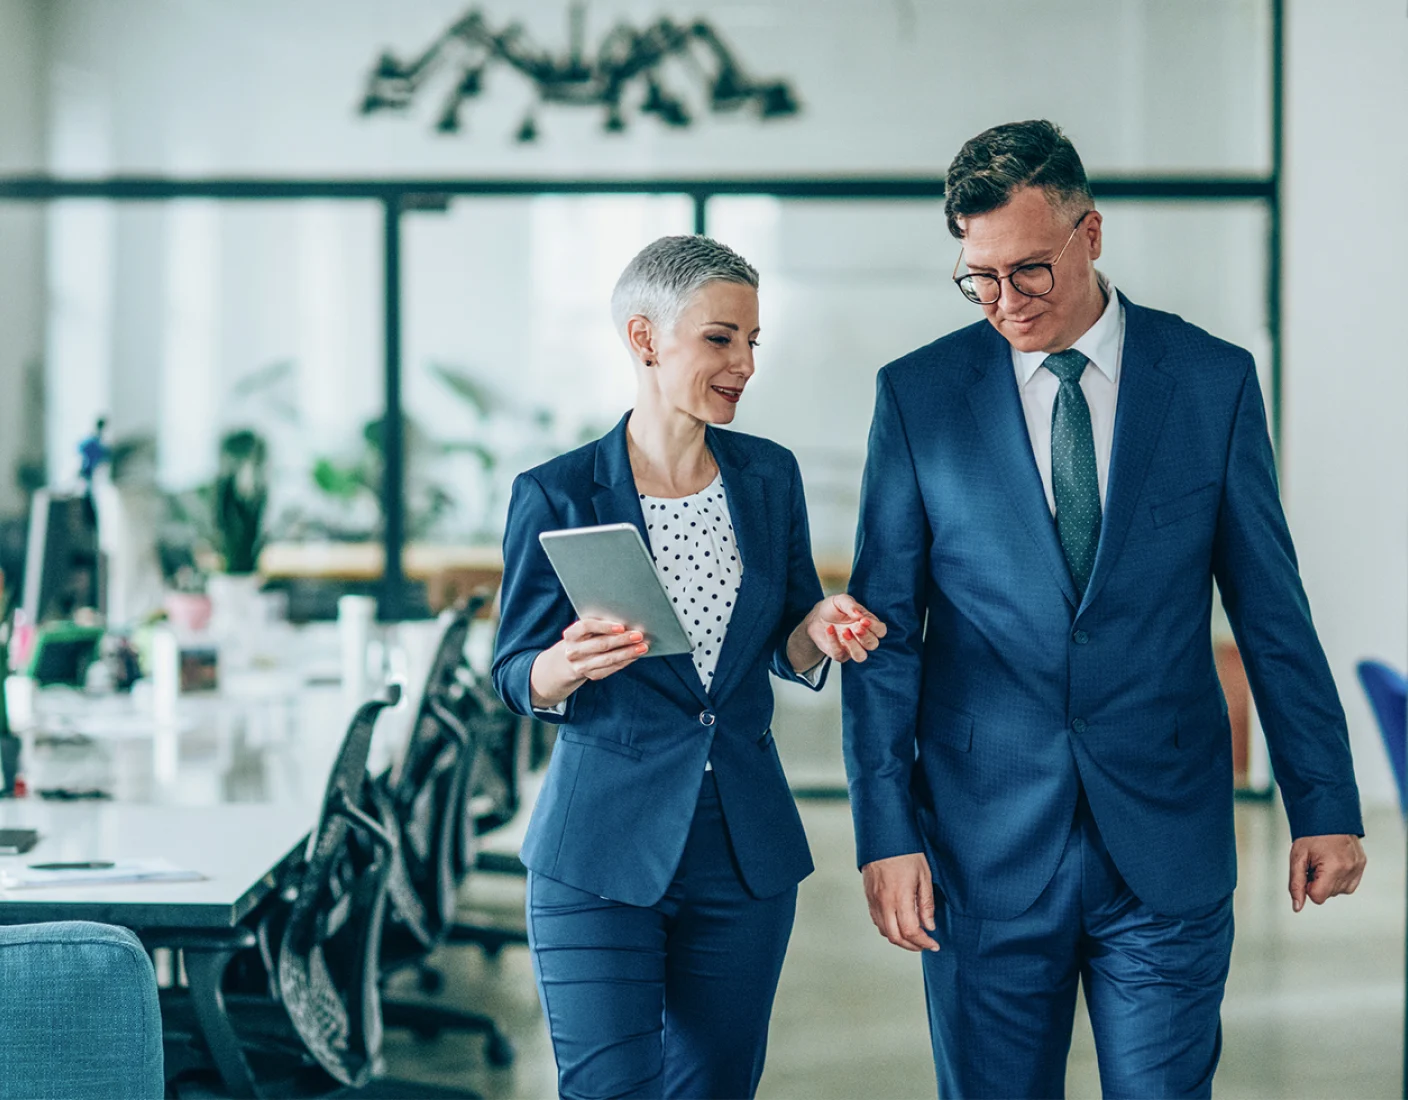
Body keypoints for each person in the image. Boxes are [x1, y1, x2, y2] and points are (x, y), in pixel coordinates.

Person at [842, 119, 1366, 1099]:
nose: (1004, 301)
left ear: (1090, 233)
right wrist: (885, 829)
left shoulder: (1210, 381)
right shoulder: (917, 396)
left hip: (1164, 838)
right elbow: (884, 634)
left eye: (1028, 270)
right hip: (979, 842)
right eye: (979, 277)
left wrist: (1323, 801)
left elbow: (1269, 607)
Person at [493, 234, 887, 1100]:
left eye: (753, 341)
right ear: (645, 339)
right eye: (721, 338)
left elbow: (786, 636)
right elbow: (513, 669)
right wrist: (561, 666)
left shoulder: (767, 477)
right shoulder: (556, 491)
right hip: (599, 849)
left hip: (743, 851)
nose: (744, 362)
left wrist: (820, 626)